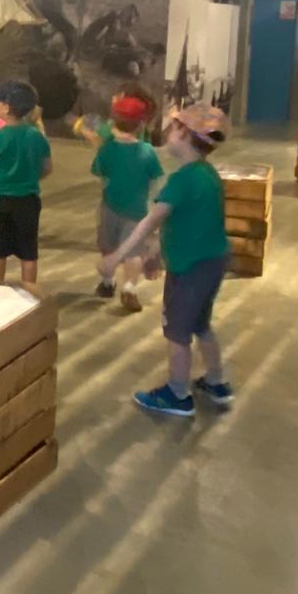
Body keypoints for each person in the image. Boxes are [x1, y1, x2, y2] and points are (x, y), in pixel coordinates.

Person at [99, 104, 232, 417]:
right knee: (200, 323)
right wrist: (155, 254)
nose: (168, 133)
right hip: (212, 261)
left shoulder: (182, 180)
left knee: (177, 332)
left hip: (190, 268)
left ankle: (177, 393)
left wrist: (116, 257)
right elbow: (189, 223)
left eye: (173, 128)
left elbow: (150, 222)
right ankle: (216, 381)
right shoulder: (207, 174)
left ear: (185, 134)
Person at [88, 92, 163, 312]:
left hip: (109, 206)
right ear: (140, 124)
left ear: (114, 122)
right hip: (137, 210)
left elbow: (99, 173)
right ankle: (129, 287)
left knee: (107, 245)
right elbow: (155, 179)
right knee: (134, 252)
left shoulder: (107, 149)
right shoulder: (147, 151)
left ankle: (107, 283)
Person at [0, 80, 52, 286]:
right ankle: (29, 291)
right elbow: (47, 168)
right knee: (29, 251)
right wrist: (29, 177)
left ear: (6, 107)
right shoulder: (37, 136)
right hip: (28, 199)